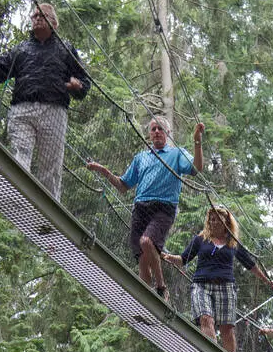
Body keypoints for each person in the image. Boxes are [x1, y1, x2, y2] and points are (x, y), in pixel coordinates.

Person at [0, 2, 91, 200]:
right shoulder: (21, 49)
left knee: (51, 167)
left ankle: (49, 212)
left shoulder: (66, 50)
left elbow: (85, 82)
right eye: (35, 15)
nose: (37, 18)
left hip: (54, 111)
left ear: (54, 23)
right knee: (21, 152)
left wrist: (77, 86)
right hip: (22, 109)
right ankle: (16, 197)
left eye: (42, 15)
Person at [87, 119, 203, 300]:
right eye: (153, 129)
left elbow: (196, 168)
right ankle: (144, 301)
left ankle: (161, 286)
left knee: (147, 241)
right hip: (140, 207)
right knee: (142, 259)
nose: (157, 131)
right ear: (150, 133)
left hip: (163, 208)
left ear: (168, 132)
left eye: (161, 129)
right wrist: (103, 171)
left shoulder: (177, 154)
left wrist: (197, 141)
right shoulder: (141, 157)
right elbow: (123, 185)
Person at [164, 206, 273, 352]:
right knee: (205, 318)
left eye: (217, 219)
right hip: (201, 285)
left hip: (226, 287)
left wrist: (266, 280)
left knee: (227, 328)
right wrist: (171, 258)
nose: (213, 222)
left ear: (226, 222)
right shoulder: (200, 239)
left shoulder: (233, 243)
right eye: (211, 219)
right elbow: (183, 259)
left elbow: (250, 264)